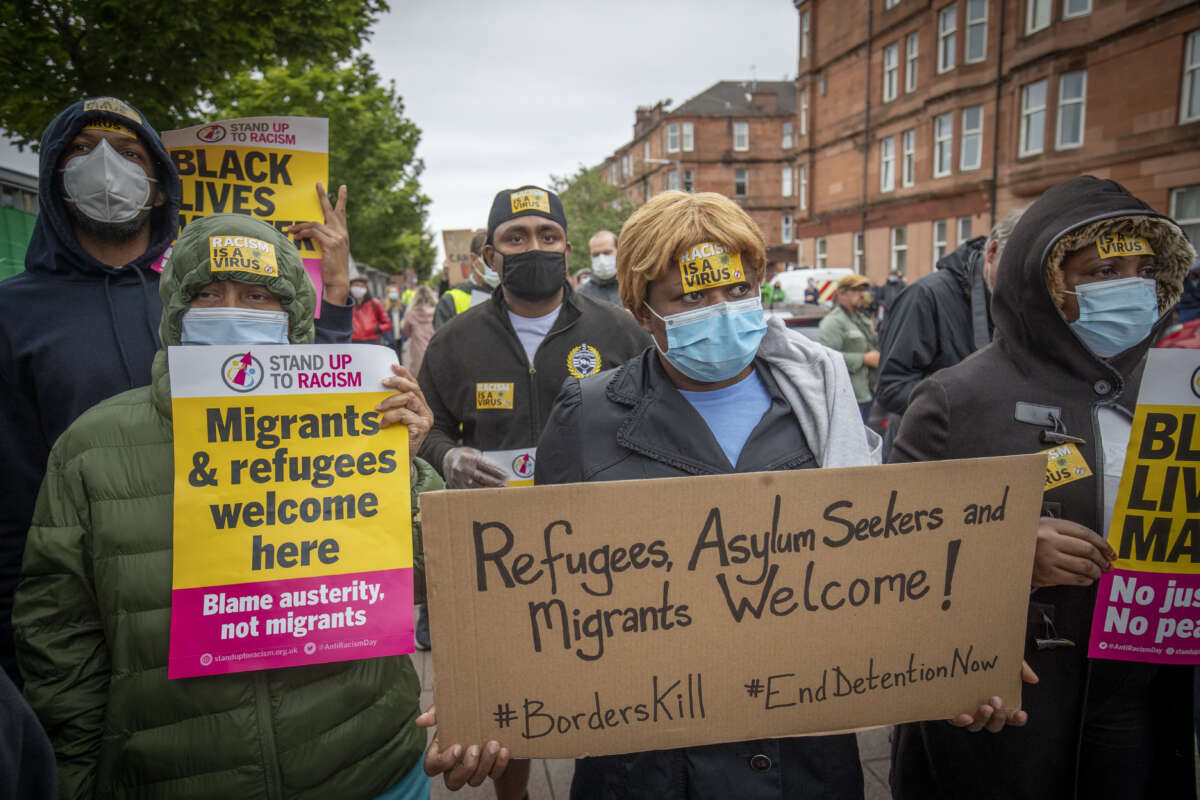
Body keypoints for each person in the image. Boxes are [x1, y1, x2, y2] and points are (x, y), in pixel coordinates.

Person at [13, 212, 441, 798]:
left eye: (258, 295)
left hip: (371, 767)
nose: (232, 309)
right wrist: (78, 780)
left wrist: (404, 464)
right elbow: (59, 642)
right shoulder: (90, 450)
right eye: (208, 294)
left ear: (292, 316)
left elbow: (429, 578)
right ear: (175, 313)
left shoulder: (352, 424)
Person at [0, 97, 354, 684]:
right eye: (82, 151)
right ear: (53, 178)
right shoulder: (14, 314)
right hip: (102, 611)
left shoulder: (197, 293)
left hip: (245, 581)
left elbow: (304, 393)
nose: (105, 167)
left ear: (160, 186)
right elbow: (12, 504)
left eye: (130, 154)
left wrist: (335, 289)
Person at [888, 175, 1197, 800]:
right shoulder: (957, 398)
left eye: (1142, 268)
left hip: (1137, 691)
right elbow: (890, 556)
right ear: (1046, 278)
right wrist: (1006, 554)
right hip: (1009, 704)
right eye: (1103, 269)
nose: (1130, 285)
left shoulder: (1173, 390)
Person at [416, 185, 649, 490]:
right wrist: (448, 456)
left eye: (548, 236)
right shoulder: (452, 341)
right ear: (490, 256)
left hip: (599, 518)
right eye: (516, 238)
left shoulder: (620, 330)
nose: (534, 247)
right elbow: (426, 427)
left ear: (566, 251)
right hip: (495, 525)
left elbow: (656, 415)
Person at [876, 208, 1024, 419]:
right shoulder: (925, 296)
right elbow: (892, 387)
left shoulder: (1020, 301)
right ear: (992, 251)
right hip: (929, 444)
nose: (1023, 283)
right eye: (1017, 270)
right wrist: (969, 401)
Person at [818, 273, 879, 420]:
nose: (862, 294)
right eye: (857, 290)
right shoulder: (833, 322)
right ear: (841, 294)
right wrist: (863, 359)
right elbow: (828, 359)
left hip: (867, 391)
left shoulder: (861, 319)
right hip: (849, 396)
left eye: (864, 290)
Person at [434, 231, 495, 329]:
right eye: (489, 256)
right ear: (474, 259)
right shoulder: (450, 300)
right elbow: (441, 343)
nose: (494, 263)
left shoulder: (511, 297)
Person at [402, 286, 437, 392]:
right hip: (434, 348)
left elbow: (406, 332)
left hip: (418, 351)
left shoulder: (411, 313)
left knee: (418, 381)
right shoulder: (436, 311)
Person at [576, 229, 621, 306]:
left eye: (607, 253)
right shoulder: (580, 295)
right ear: (590, 257)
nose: (601, 259)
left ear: (619, 252)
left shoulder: (634, 289)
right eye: (596, 255)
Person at [351, 276, 392, 344]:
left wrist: (378, 330)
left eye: (362, 286)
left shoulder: (375, 303)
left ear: (366, 288)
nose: (359, 288)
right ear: (350, 287)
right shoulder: (346, 303)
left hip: (372, 341)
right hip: (352, 341)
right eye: (356, 285)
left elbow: (388, 323)